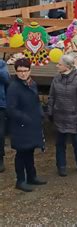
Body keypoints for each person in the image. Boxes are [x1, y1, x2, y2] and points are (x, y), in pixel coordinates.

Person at [6, 58, 46, 192]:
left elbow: (36, 101)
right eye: (20, 71)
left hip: (32, 124)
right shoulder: (14, 87)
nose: (23, 74)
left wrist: (40, 113)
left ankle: (31, 176)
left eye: (25, 71)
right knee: (21, 153)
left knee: (30, 151)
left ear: (30, 70)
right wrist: (25, 118)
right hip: (20, 126)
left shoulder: (31, 83)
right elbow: (11, 109)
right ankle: (20, 180)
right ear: (16, 71)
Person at [48, 54, 77, 176]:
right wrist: (50, 112)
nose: (57, 66)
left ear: (67, 66)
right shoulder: (56, 78)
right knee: (60, 144)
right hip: (60, 117)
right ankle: (61, 166)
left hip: (75, 118)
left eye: (59, 64)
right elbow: (52, 96)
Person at [0, 58, 9, 173]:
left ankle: (0, 159)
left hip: (0, 105)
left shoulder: (1, 64)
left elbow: (7, 79)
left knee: (0, 134)